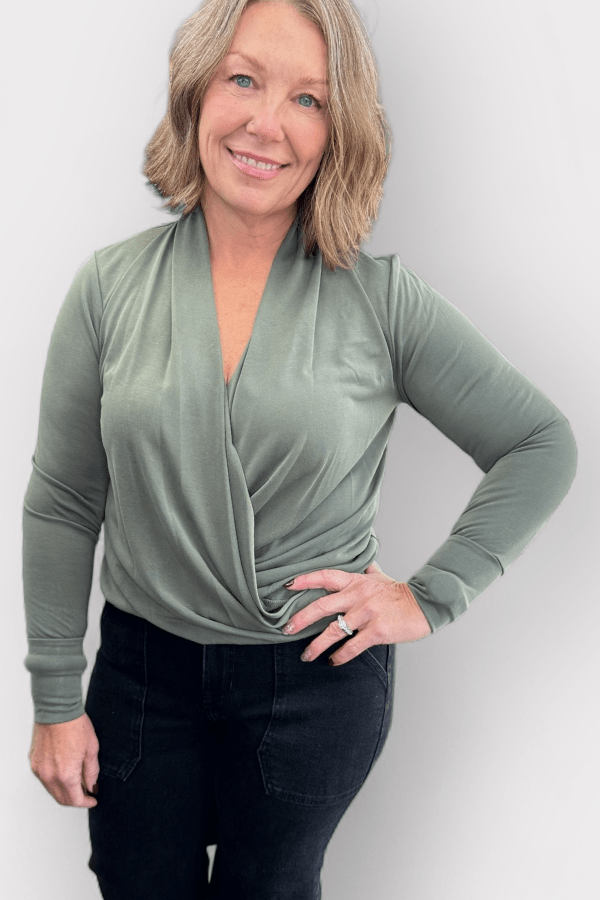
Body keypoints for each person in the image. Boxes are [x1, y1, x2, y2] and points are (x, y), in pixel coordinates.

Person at [23, 0, 577, 897]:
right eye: (243, 78)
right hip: (140, 676)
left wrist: (431, 597)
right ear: (198, 90)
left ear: (338, 130)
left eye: (309, 99)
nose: (265, 122)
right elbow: (62, 499)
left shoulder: (380, 301)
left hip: (311, 685)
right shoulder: (109, 288)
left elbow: (539, 442)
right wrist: (55, 697)